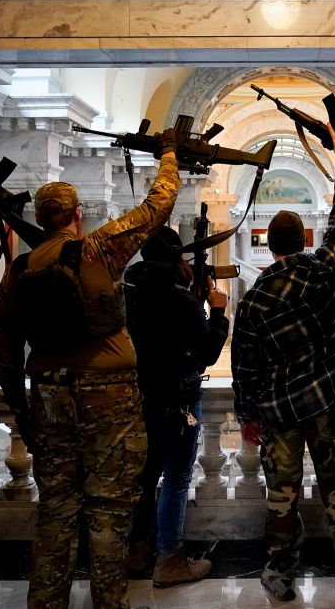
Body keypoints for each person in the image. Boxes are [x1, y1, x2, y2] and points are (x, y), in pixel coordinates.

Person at [0, 131, 179, 609]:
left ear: (39, 218)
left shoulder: (20, 269)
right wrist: (170, 156)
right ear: (77, 216)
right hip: (110, 396)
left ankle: (46, 602)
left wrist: (22, 411)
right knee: (110, 510)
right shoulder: (98, 250)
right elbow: (157, 209)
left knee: (56, 510)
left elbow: (6, 352)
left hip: (49, 395)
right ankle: (108, 602)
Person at [231, 124, 335, 602]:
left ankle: (280, 576)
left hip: (278, 415)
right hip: (323, 403)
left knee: (282, 499)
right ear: (304, 238)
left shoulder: (254, 300)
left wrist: (247, 416)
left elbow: (245, 367)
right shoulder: (320, 272)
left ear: (272, 245)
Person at [125, 226, 229, 587]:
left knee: (146, 474)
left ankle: (136, 551)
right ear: (176, 259)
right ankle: (169, 556)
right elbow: (206, 353)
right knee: (177, 477)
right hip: (177, 397)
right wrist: (217, 313)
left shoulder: (131, 291)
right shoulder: (179, 300)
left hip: (140, 394)